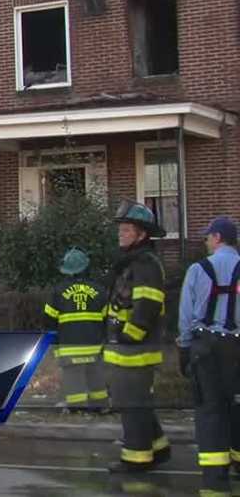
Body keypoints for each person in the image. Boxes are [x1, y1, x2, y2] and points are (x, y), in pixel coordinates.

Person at [104, 199, 170, 474]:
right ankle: (158, 446)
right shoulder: (132, 262)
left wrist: (129, 337)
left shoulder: (145, 264)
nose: (121, 233)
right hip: (126, 349)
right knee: (135, 402)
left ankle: (136, 459)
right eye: (121, 229)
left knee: (132, 405)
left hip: (135, 350)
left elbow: (148, 305)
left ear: (142, 234)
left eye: (127, 229)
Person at [177, 216, 240, 494]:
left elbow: (186, 315)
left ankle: (215, 482)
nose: (205, 241)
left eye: (207, 237)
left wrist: (184, 348)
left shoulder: (198, 269)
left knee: (211, 411)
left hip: (206, 349)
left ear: (217, 237)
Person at [42, 247, 108, 413]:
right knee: (96, 378)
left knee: (73, 379)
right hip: (94, 346)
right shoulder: (100, 290)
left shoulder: (58, 291)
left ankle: (77, 408)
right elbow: (107, 320)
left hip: (69, 347)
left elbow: (49, 320)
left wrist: (54, 344)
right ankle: (101, 407)